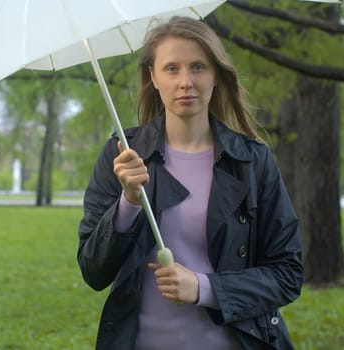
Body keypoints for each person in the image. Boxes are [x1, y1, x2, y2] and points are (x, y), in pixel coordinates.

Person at [77, 16, 303, 350]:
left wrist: (203, 288)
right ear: (152, 76)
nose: (186, 81)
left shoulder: (252, 160)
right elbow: (93, 271)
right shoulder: (122, 154)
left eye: (198, 67)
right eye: (171, 69)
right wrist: (129, 202)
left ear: (215, 76)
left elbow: (288, 275)